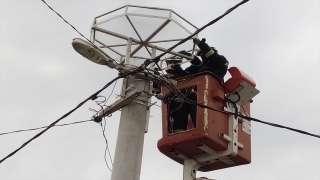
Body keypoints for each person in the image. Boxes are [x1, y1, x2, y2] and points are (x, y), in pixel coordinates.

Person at [164, 38, 229, 133]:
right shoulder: (201, 67)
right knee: (181, 106)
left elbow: (212, 56)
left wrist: (201, 44)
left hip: (208, 95)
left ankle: (202, 130)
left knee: (200, 114)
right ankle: (179, 131)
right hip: (194, 95)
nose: (202, 56)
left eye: (202, 53)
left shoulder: (221, 62)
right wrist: (176, 67)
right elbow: (186, 76)